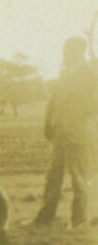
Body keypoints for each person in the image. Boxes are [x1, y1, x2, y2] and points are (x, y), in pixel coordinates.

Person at [31, 36, 98, 228]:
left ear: (79, 51)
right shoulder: (64, 73)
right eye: (65, 50)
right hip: (60, 133)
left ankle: (78, 221)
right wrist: (48, 124)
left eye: (69, 50)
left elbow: (94, 105)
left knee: (79, 179)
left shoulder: (91, 73)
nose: (65, 53)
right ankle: (45, 218)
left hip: (79, 133)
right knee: (53, 177)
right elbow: (53, 101)